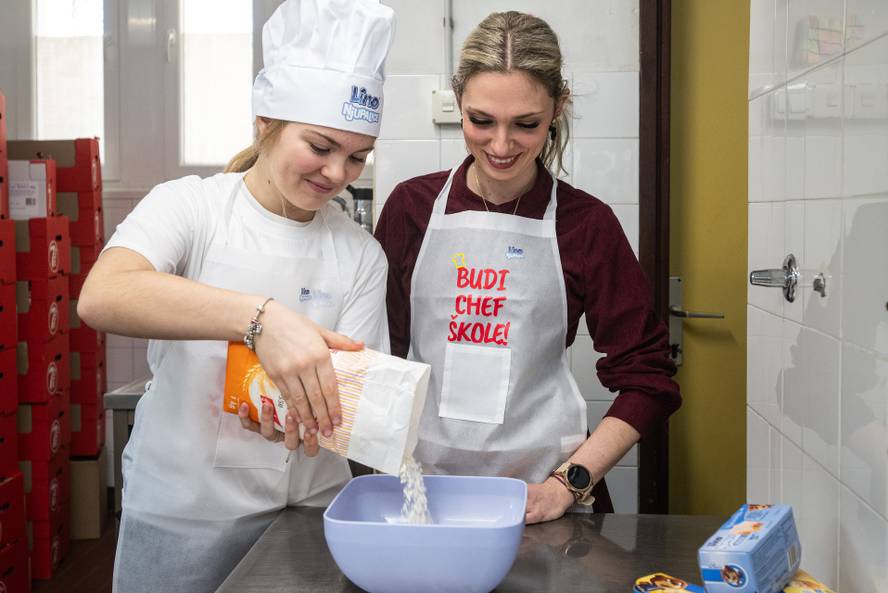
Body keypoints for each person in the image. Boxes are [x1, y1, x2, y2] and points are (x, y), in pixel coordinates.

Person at [77, 1, 395, 591]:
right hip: (181, 514)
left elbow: (351, 396)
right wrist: (261, 319)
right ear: (265, 123)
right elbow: (104, 295)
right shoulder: (191, 206)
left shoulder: (358, 253)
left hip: (305, 515)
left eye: (356, 156)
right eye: (321, 146)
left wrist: (321, 416)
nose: (337, 173)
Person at [373, 11, 681, 523]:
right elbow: (380, 356)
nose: (500, 145)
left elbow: (649, 379)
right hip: (425, 496)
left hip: (545, 500)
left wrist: (569, 483)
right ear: (459, 101)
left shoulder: (587, 225)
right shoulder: (411, 208)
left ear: (558, 108)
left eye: (526, 124)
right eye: (481, 121)